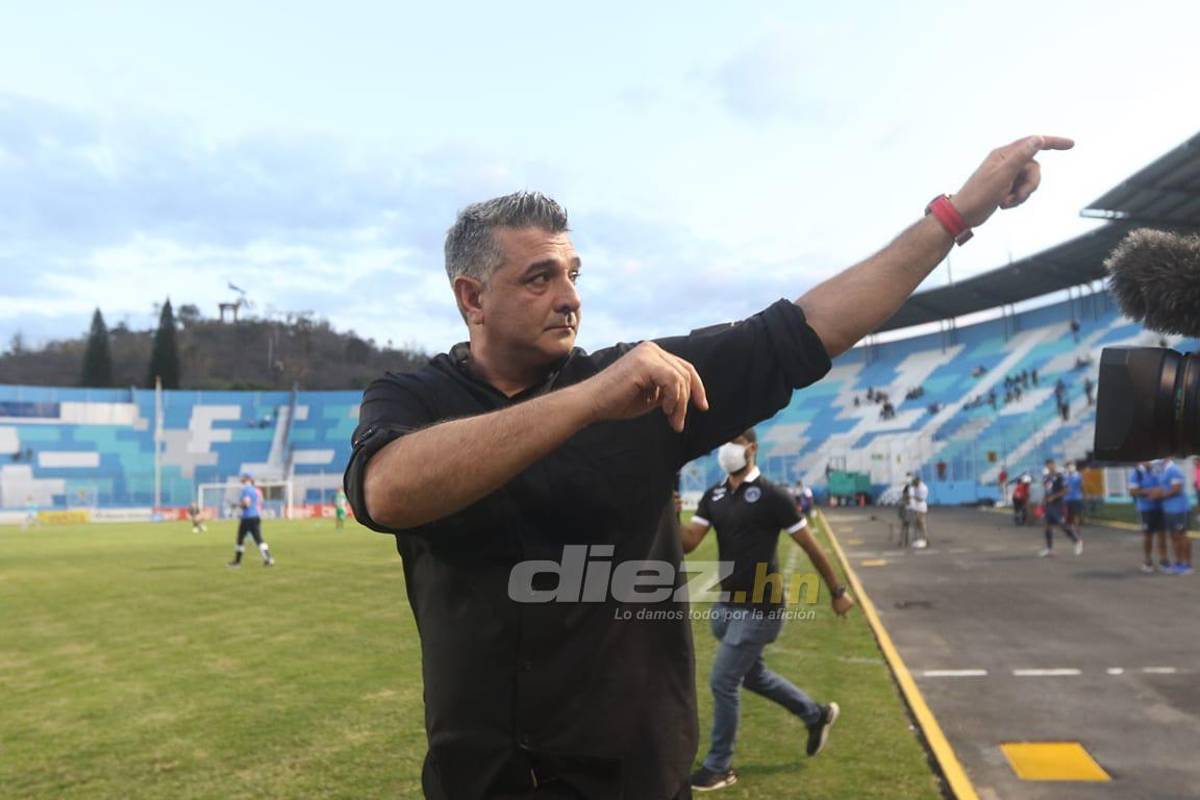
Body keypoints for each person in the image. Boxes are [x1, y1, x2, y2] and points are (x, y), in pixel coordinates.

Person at [344, 134, 1072, 799]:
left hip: (635, 780)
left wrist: (953, 215)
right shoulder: (419, 397)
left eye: (573, 273)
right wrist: (586, 402)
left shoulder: (646, 384)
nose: (570, 298)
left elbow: (807, 329)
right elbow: (387, 491)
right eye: (540, 279)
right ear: (472, 298)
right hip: (481, 779)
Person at [678, 429, 854, 792]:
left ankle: (719, 766)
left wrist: (837, 591)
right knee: (752, 675)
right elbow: (689, 543)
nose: (726, 449)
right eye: (723, 441)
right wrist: (667, 513)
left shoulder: (774, 496)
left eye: (735, 441)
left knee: (723, 681)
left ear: (752, 448)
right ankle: (815, 714)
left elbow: (811, 546)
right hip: (728, 605)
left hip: (762, 606)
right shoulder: (715, 494)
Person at [227, 474, 274, 567]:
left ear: (247, 479)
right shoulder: (254, 490)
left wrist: (236, 505)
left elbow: (246, 503)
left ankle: (237, 562)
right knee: (258, 539)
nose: (241, 479)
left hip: (248, 517)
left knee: (240, 539)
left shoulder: (246, 489)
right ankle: (269, 558)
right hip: (256, 516)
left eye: (243, 478)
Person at [1130, 461, 1168, 574]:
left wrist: (1161, 491)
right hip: (1145, 509)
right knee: (1148, 536)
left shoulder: (1157, 471)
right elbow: (1133, 491)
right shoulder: (1137, 473)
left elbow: (1164, 485)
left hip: (1160, 507)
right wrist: (1150, 492)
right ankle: (1147, 560)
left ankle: (1163, 560)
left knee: (1162, 535)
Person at [1156, 458, 1192, 575]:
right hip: (1169, 509)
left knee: (1181, 535)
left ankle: (1186, 564)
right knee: (1174, 536)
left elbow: (1176, 489)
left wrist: (1160, 495)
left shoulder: (1174, 470)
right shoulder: (1164, 471)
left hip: (1179, 509)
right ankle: (1178, 562)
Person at [1039, 459, 1081, 557]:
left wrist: (1054, 497)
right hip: (1049, 505)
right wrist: (1043, 500)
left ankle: (1077, 541)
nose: (1050, 466)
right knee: (1047, 526)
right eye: (1048, 465)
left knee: (1062, 524)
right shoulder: (1046, 478)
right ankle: (1049, 549)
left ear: (1054, 465)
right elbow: (1047, 491)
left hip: (1058, 505)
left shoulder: (1060, 477)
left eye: (1051, 464)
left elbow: (1066, 490)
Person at [1064, 461, 1084, 538]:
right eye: (1068, 466)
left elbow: (1082, 486)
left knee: (1076, 516)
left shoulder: (1078, 475)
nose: (1070, 467)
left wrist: (1084, 495)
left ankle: (1077, 531)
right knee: (1068, 516)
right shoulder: (1064, 476)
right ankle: (1070, 531)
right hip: (1066, 499)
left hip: (1076, 498)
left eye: (1072, 466)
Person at [909, 474, 930, 548]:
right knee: (915, 524)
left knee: (922, 524)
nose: (914, 486)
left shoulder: (923, 488)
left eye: (915, 484)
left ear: (918, 482)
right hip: (916, 507)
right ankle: (917, 538)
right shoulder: (916, 485)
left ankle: (925, 538)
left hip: (921, 508)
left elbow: (920, 499)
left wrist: (912, 497)